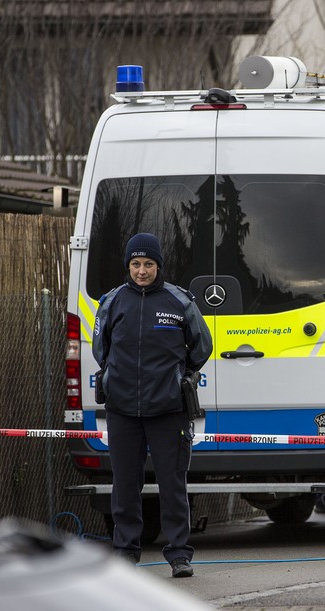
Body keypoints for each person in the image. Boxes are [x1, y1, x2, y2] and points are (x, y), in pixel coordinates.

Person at [93, 233, 212, 578]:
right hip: (122, 411)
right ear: (128, 266)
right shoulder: (112, 302)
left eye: (148, 264)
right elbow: (100, 349)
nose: (141, 271)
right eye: (135, 264)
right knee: (125, 484)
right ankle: (125, 553)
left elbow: (201, 347)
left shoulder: (180, 302)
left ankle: (178, 555)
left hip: (168, 411)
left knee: (172, 484)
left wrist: (176, 376)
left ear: (158, 265)